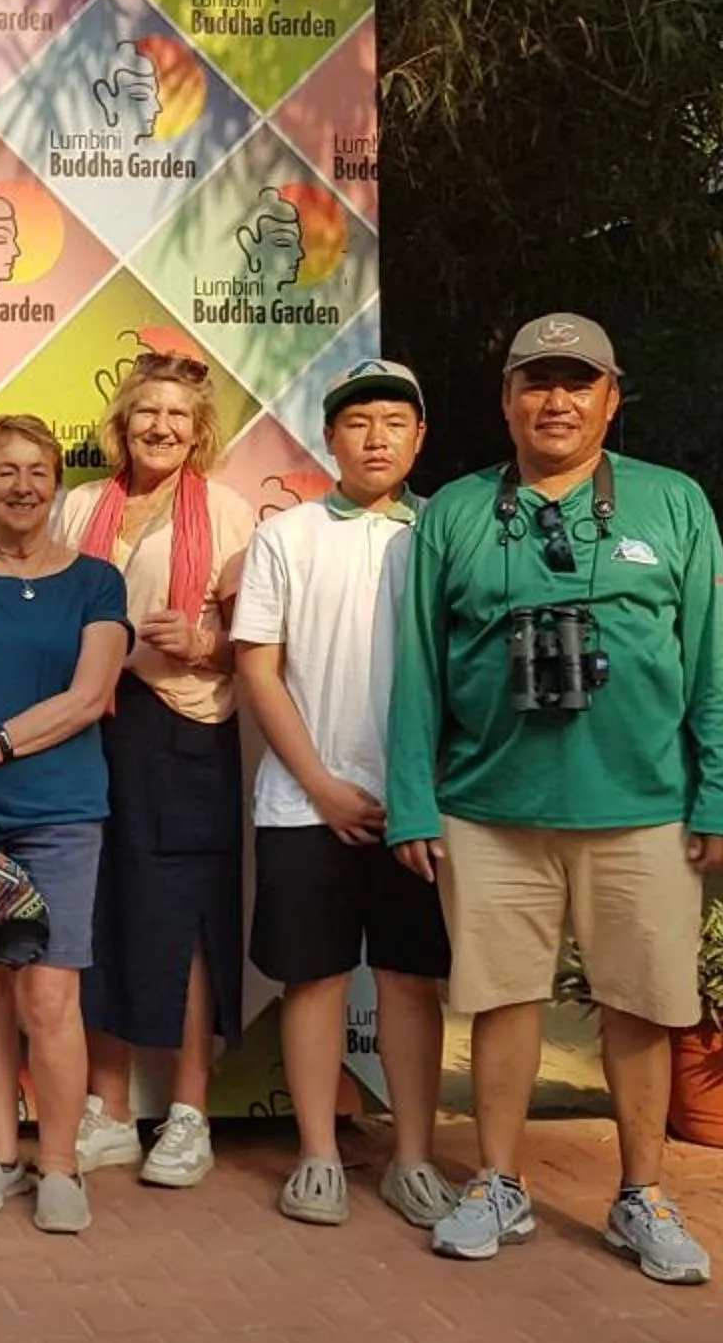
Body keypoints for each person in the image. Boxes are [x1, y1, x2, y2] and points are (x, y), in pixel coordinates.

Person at [389, 312, 723, 1285]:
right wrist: (412, 805)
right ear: (506, 400)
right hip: (489, 808)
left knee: (643, 1004)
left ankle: (642, 1196)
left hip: (642, 808)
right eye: (536, 382)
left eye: (577, 382)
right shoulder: (456, 514)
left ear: (611, 398)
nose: (556, 401)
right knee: (502, 1001)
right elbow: (417, 672)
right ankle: (499, 1183)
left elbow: (715, 661)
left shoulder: (672, 503)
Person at [232, 359, 458, 1229]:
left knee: (409, 981)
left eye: (394, 423)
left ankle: (411, 1159)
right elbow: (258, 665)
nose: (375, 438)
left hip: (419, 804)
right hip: (303, 802)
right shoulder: (287, 537)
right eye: (358, 423)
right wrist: (321, 783)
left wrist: (421, 792)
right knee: (315, 980)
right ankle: (319, 1156)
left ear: (419, 437)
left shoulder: (446, 532)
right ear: (330, 438)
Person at [0, 415, 131, 1235]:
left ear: (57, 484)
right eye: (4, 471)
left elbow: (86, 699)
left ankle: (60, 1164)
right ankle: (0, 1155)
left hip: (63, 813)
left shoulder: (97, 583)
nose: (22, 485)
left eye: (38, 471)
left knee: (49, 995)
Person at [53, 351, 254, 1189]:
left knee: (187, 920)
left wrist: (202, 644)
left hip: (187, 730)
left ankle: (188, 1113)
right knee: (97, 911)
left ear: (199, 432)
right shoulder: (79, 509)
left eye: (178, 416)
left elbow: (259, 643)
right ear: (122, 425)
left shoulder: (235, 514)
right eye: (147, 414)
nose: (162, 427)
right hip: (92, 729)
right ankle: (106, 1111)